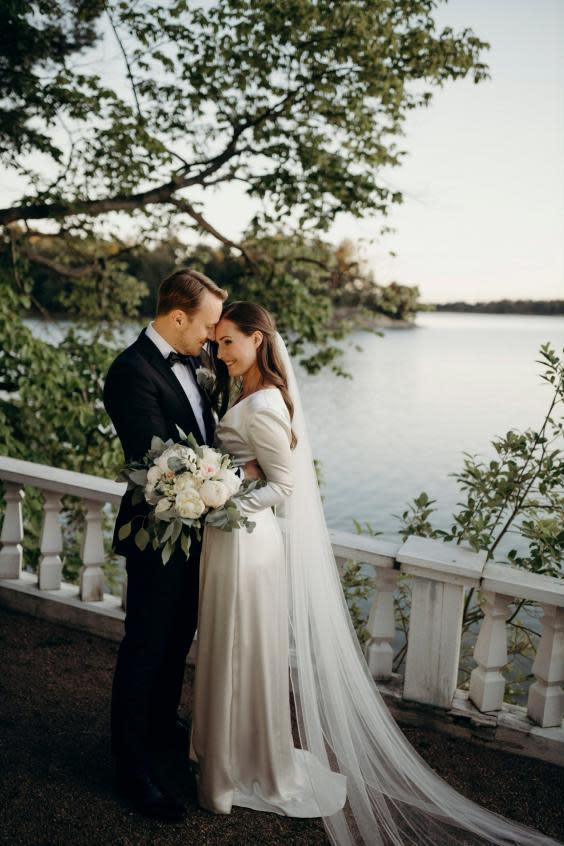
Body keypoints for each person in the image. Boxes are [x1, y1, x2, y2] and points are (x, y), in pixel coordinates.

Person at [189, 301, 562, 846]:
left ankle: (240, 765)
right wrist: (221, 479)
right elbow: (250, 467)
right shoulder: (244, 391)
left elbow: (283, 487)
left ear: (259, 340)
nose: (220, 353)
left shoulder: (264, 401)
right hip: (232, 539)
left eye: (229, 342)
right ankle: (223, 752)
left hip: (246, 540)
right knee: (230, 645)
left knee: (244, 649)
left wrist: (223, 499)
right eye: (217, 343)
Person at [103, 269, 261, 821]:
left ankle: (160, 727)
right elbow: (158, 460)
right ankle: (130, 768)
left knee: (179, 640)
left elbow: (207, 434)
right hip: (155, 533)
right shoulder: (130, 372)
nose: (213, 335)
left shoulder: (197, 365)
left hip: (199, 531)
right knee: (146, 645)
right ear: (177, 318)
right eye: (208, 324)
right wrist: (231, 481)